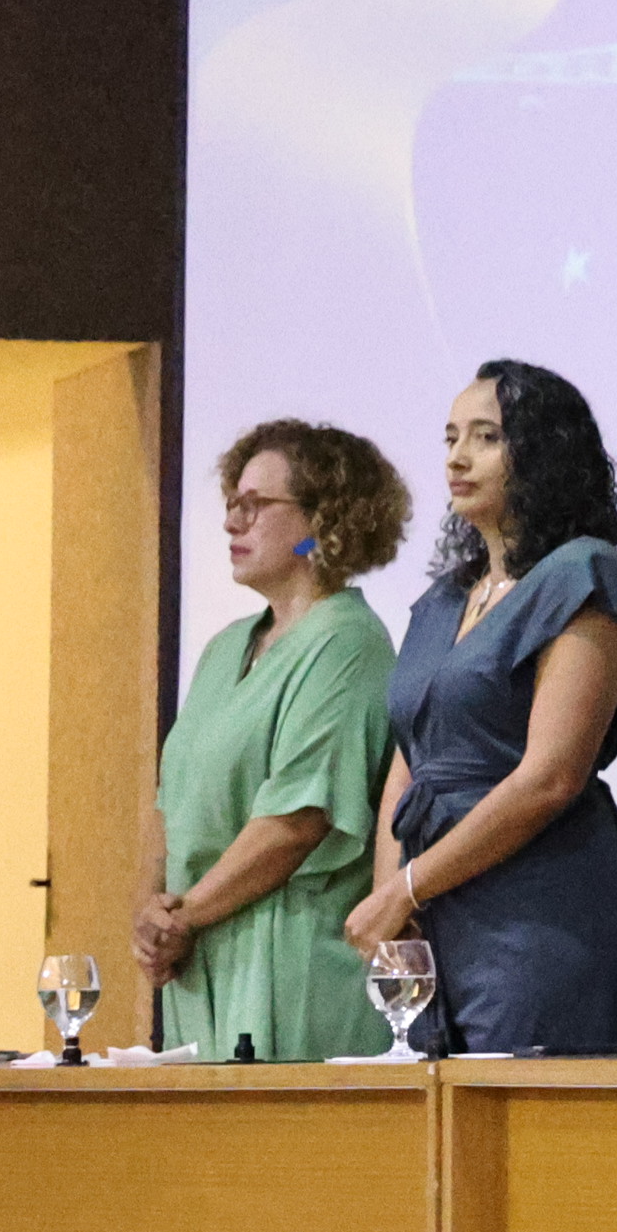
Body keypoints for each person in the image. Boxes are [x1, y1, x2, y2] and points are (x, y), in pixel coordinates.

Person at [353, 364, 617, 1055]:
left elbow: (551, 777)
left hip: (541, 917)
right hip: (433, 919)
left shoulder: (583, 574)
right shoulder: (441, 600)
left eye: (486, 437)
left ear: (543, 452)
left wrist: (407, 887)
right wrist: (390, 912)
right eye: (451, 438)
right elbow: (408, 764)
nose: (458, 458)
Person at [138, 419, 407, 1061]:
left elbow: (298, 818)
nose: (234, 522)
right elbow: (168, 801)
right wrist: (149, 915)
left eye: (255, 505)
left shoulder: (347, 642)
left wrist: (183, 915)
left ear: (326, 518)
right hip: (198, 959)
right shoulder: (224, 647)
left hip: (289, 967)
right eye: (232, 502)